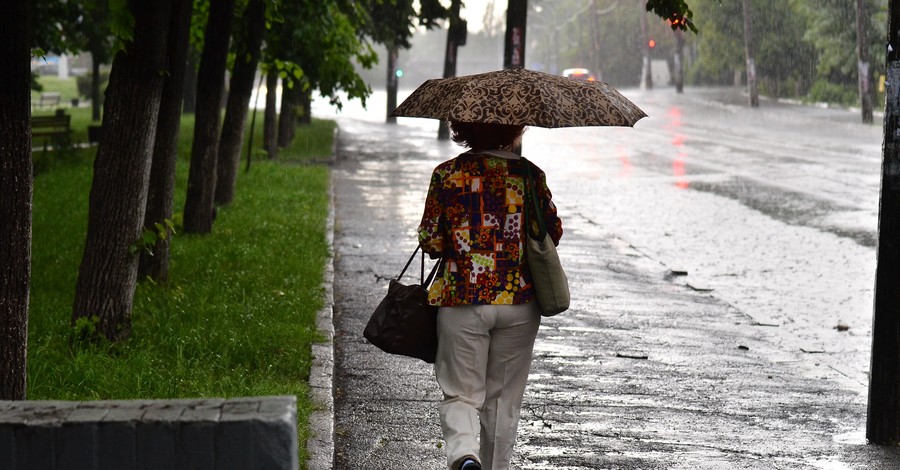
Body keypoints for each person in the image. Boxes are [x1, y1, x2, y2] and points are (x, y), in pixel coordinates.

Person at [417, 120, 563, 470]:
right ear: (514, 129)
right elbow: (552, 233)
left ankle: (465, 456)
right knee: (502, 401)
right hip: (519, 301)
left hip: (462, 299)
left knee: (461, 393)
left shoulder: (448, 174)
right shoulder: (530, 176)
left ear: (463, 129)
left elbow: (432, 242)